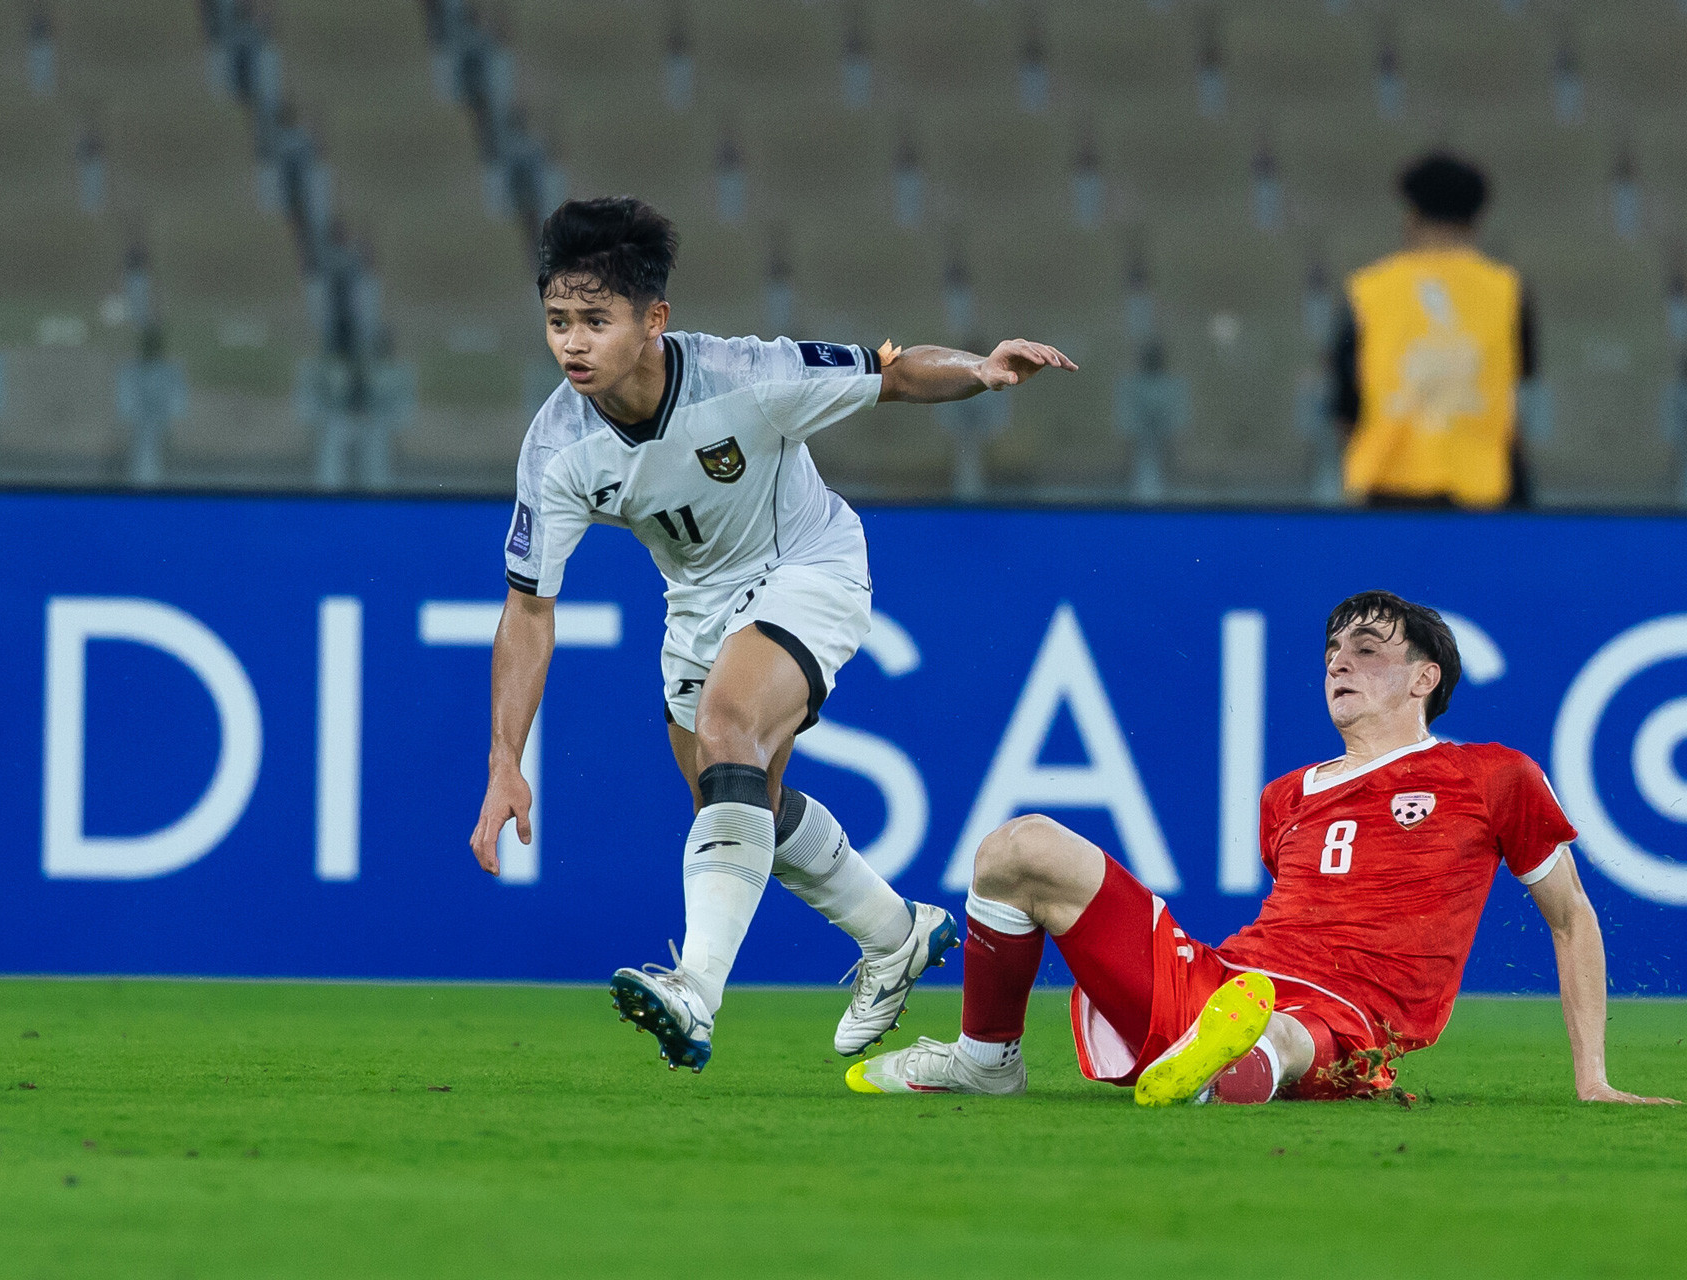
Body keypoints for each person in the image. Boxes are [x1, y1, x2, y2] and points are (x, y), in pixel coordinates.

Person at [470, 196, 1077, 1072]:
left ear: (654, 321)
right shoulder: (557, 447)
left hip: (808, 566)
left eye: (595, 321)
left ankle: (695, 991)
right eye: (559, 321)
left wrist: (980, 369)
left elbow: (891, 371)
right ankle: (898, 934)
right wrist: (504, 759)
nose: (572, 343)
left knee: (727, 731)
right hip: (697, 606)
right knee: (735, 797)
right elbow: (529, 609)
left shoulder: (744, 375)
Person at [849, 590, 1677, 1107]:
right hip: (1226, 984)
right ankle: (989, 1058)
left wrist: (1592, 1077)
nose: (1337, 664)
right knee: (1017, 846)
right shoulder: (1286, 796)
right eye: (1331, 653)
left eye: (1367, 651)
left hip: (1351, 1018)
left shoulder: (1491, 775)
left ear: (1426, 679)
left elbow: (1570, 919)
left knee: (1284, 1035)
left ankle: (1234, 1065)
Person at [1334, 153, 1537, 509]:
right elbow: (1518, 389)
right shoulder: (1508, 292)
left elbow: (1345, 402)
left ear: (1410, 215)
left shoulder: (1368, 291)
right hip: (1485, 486)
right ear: (1477, 219)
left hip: (1388, 486)